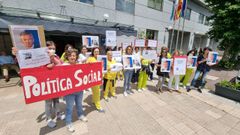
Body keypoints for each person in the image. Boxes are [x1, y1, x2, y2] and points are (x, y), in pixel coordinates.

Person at [63, 49, 88, 133]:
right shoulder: (64, 66)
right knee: (69, 108)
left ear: (76, 56)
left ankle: (80, 115)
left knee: (79, 104)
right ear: (68, 57)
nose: (72, 57)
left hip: (79, 90)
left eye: (74, 55)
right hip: (69, 92)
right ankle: (68, 122)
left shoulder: (79, 64)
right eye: (70, 56)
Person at [44, 41, 65, 128]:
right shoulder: (42, 57)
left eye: (53, 48)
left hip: (55, 82)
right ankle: (48, 118)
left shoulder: (56, 56)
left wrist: (53, 59)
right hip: (46, 83)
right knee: (48, 102)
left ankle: (58, 113)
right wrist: (46, 67)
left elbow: (61, 64)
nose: (52, 50)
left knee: (56, 100)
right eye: (50, 48)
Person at [86, 47, 105, 113]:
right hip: (93, 78)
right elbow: (86, 66)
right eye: (95, 51)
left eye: (98, 51)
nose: (97, 53)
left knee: (95, 92)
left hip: (99, 77)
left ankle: (94, 101)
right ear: (93, 52)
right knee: (97, 92)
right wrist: (88, 64)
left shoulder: (100, 58)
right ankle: (98, 106)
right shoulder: (90, 58)